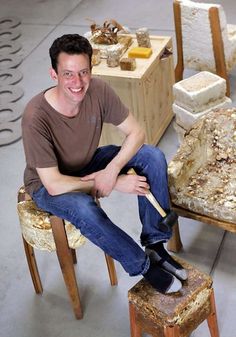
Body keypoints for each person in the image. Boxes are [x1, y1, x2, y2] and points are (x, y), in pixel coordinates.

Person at [21, 34, 187, 295]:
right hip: (48, 183)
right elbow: (53, 184)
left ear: (91, 69)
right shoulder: (35, 117)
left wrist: (111, 169)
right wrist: (115, 181)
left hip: (86, 163)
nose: (77, 83)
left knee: (151, 157)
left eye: (83, 72)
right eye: (68, 74)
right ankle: (144, 267)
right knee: (84, 207)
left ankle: (155, 247)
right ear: (54, 75)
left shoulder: (97, 90)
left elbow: (136, 133)